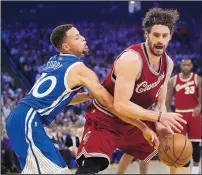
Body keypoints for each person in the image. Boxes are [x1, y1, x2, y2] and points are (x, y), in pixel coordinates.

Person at [5, 24, 163, 174]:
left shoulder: (54, 61)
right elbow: (111, 105)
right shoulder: (80, 70)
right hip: (28, 121)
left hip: (19, 118)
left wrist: (87, 96)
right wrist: (143, 127)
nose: (83, 38)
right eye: (77, 37)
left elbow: (63, 99)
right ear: (66, 47)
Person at [76, 8, 186, 174]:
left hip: (135, 121)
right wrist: (158, 117)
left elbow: (160, 105)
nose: (160, 40)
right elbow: (120, 105)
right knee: (90, 168)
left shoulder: (168, 64)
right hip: (106, 118)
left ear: (170, 36)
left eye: (165, 36)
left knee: (179, 152)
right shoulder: (132, 59)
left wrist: (161, 126)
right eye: (156, 35)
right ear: (146, 34)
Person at [166, 58, 201, 174]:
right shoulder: (173, 80)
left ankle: (195, 170)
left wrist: (200, 106)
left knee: (196, 144)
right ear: (180, 66)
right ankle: (184, 169)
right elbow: (167, 100)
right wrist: (168, 114)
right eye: (184, 65)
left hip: (193, 114)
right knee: (181, 145)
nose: (186, 67)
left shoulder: (198, 79)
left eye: (188, 65)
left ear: (191, 66)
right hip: (179, 114)